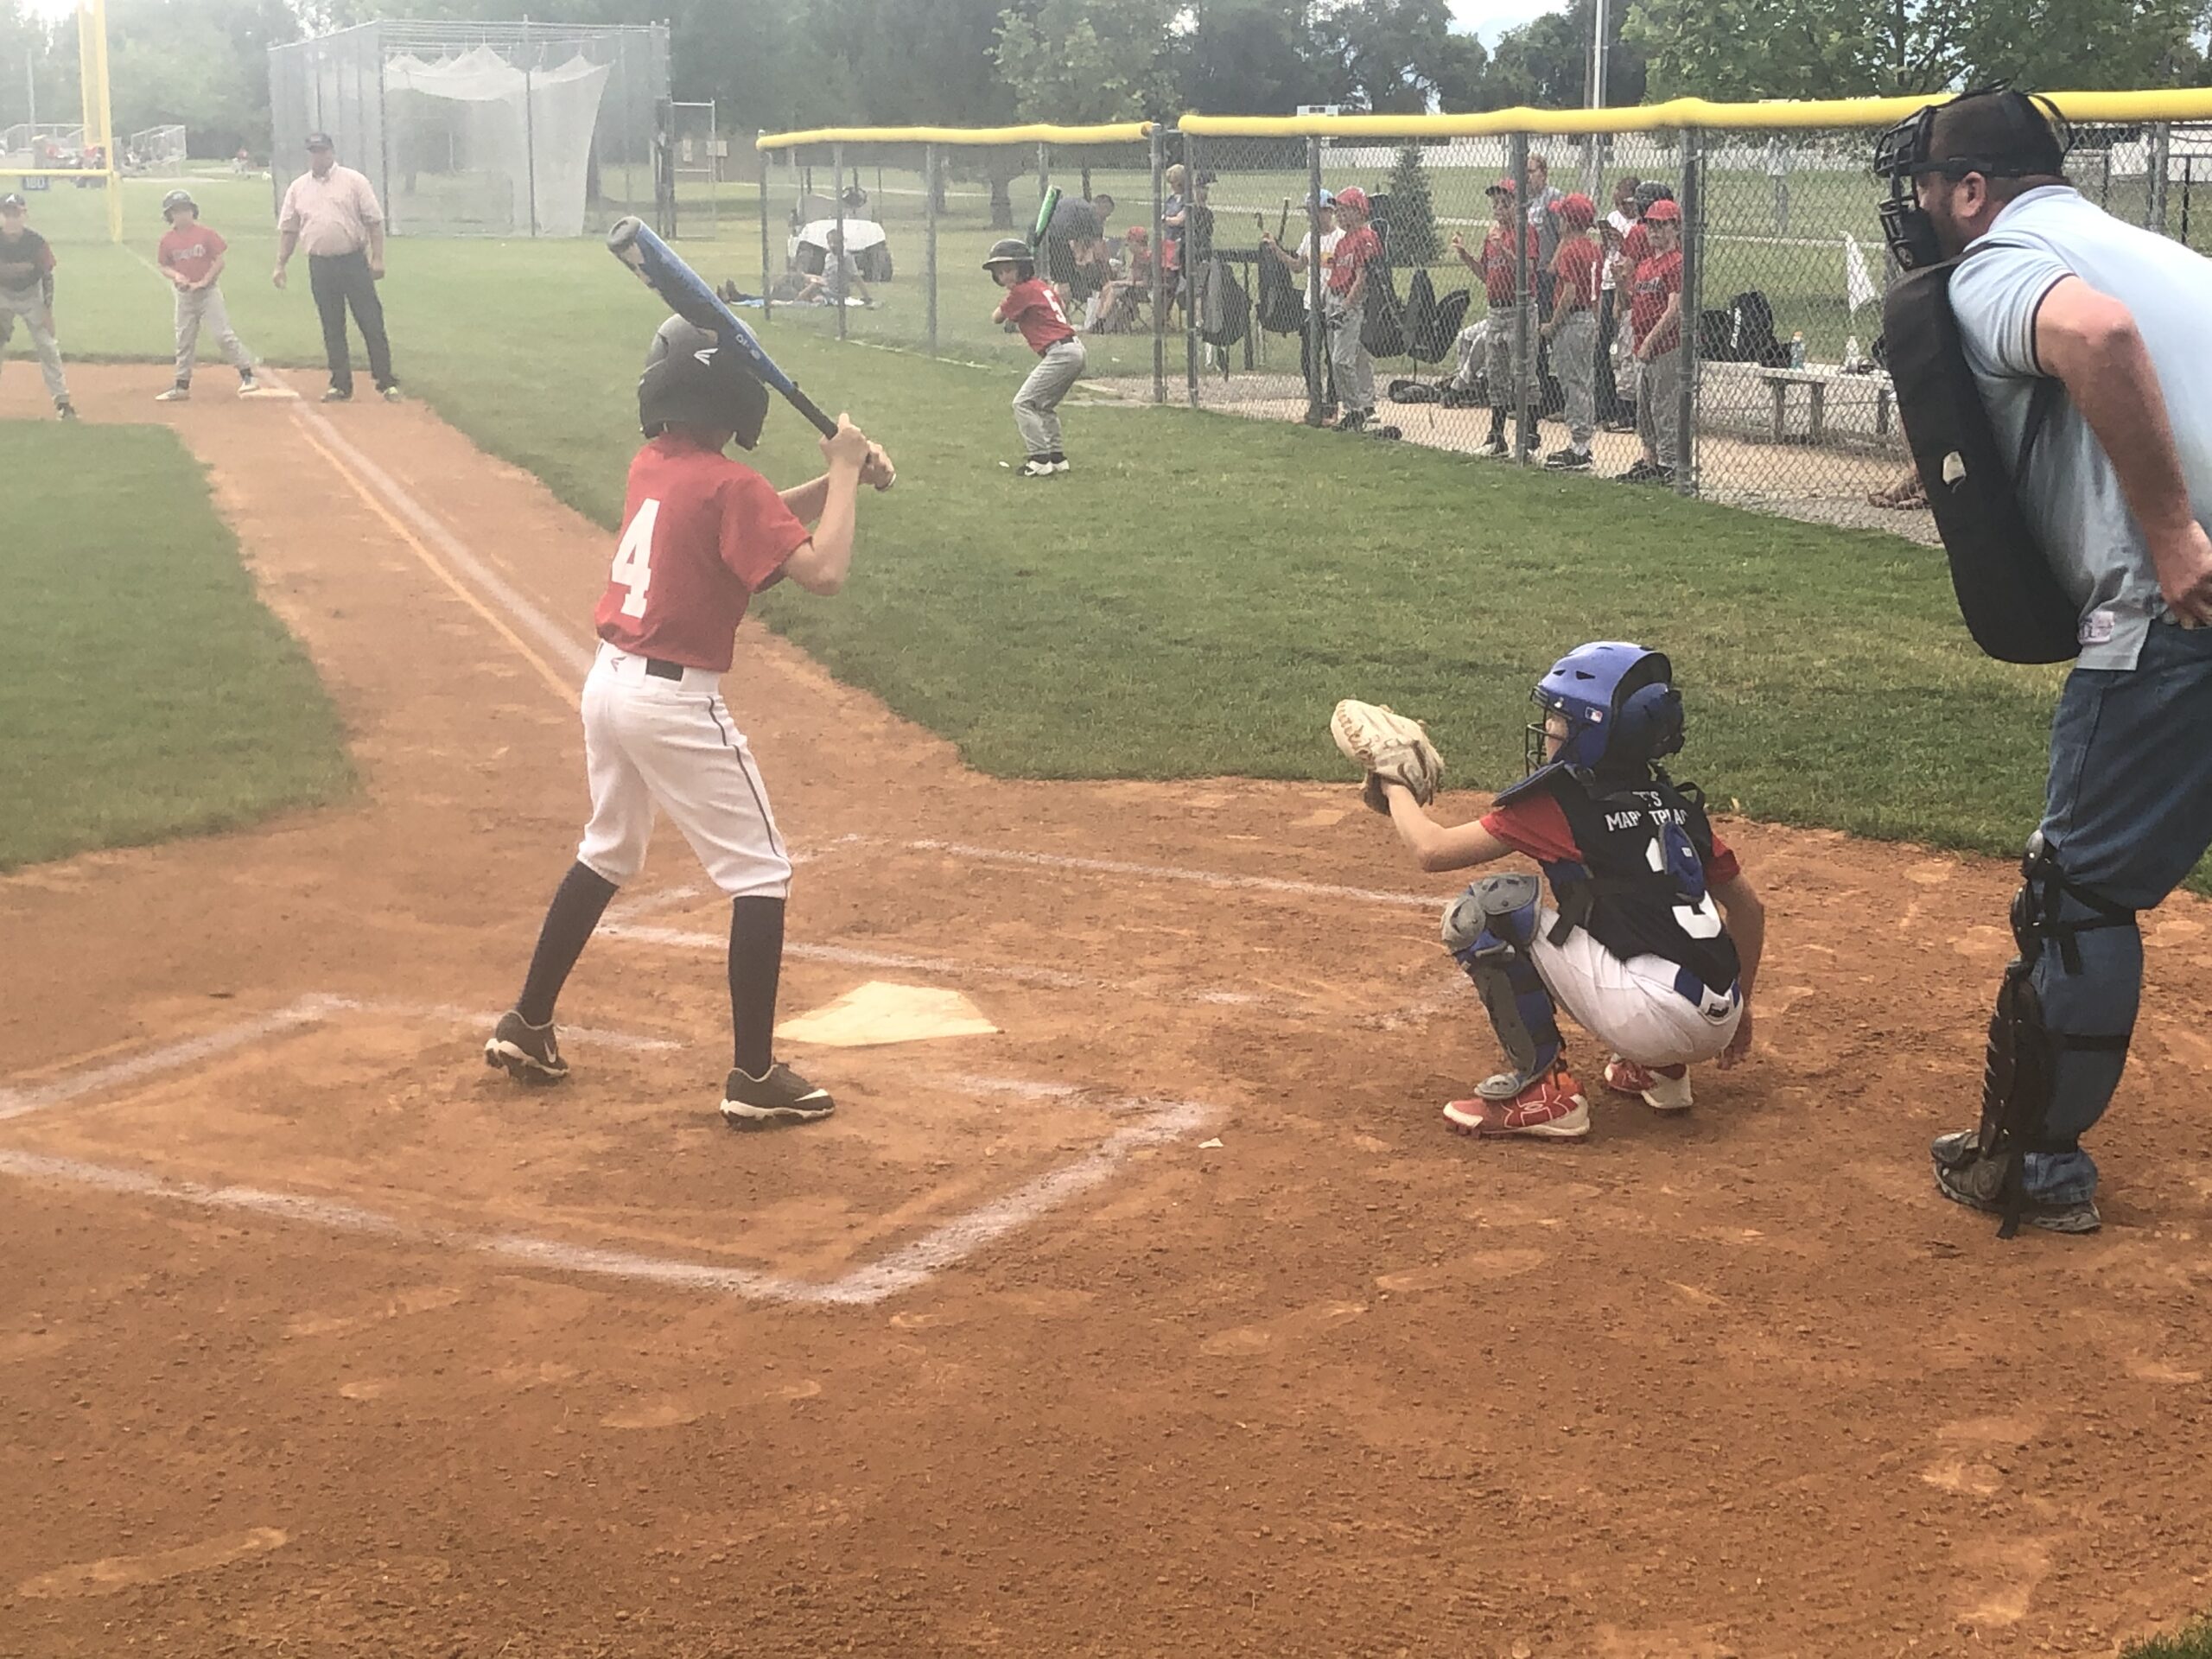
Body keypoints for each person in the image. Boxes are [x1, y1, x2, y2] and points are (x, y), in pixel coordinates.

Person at [1876, 88, 2212, 1233]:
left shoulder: (1998, 263)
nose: (1920, 207)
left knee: (2075, 896)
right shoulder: (2148, 246)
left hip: (2180, 612)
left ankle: (2036, 1165)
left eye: (1929, 185)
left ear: (1974, 191)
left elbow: (2098, 342)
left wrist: (2171, 535)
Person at [484, 319, 894, 1126]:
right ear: (736, 399)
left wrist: (840, 481)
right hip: (673, 701)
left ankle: (529, 1023)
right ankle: (752, 1075)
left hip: (609, 685)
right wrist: (845, 472)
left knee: (607, 850)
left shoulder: (658, 466)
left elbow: (751, 519)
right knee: (761, 872)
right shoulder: (728, 487)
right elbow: (825, 573)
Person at [1369, 642, 1764, 1139]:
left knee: (1485, 908)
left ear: (1593, 735)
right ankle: (1661, 1072)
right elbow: (1749, 911)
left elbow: (1432, 850)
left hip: (1652, 1018)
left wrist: (1392, 784)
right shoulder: (1676, 804)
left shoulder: (1557, 804)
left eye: (1561, 718)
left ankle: (1544, 1093)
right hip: (1718, 1017)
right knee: (1626, 904)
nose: (1551, 728)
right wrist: (1743, 1007)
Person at [274, 131, 399, 404]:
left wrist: (377, 258)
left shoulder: (354, 181)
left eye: (321, 151)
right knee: (332, 325)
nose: (318, 156)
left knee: (370, 320)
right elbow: (289, 229)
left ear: (331, 152)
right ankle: (340, 384)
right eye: (313, 152)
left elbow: (374, 222)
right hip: (320, 264)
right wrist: (280, 264)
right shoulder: (298, 188)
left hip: (352, 260)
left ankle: (386, 380)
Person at [1451, 179, 1539, 458]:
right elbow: (1486, 276)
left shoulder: (1526, 232)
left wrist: (1506, 250)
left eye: (1505, 203)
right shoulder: (1492, 235)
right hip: (1495, 310)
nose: (1499, 209)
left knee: (1522, 373)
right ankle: (1496, 436)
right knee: (1496, 376)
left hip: (1519, 309)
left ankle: (1528, 436)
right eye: (1495, 204)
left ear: (1517, 205)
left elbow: (1527, 271)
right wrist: (1465, 256)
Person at [984, 236, 1084, 477]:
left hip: (1060, 353)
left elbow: (996, 317)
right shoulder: (1040, 286)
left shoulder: (1022, 291)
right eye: (999, 273)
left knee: (1023, 403)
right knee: (1044, 405)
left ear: (1023, 269)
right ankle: (1057, 458)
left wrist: (1010, 303)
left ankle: (1039, 459)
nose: (1004, 278)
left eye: (1009, 270)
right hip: (1074, 349)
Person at [153, 189, 259, 402]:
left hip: (208, 293)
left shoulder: (205, 234)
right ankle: (181, 386)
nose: (182, 215)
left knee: (222, 335)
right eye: (176, 211)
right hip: (185, 296)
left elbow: (219, 261)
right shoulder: (167, 240)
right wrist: (177, 277)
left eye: (185, 209)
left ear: (193, 211)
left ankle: (248, 375)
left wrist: (203, 281)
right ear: (169, 215)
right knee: (184, 339)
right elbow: (164, 266)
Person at [1259, 190, 1341, 425]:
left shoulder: (1340, 238)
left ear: (1328, 211)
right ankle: (1315, 400)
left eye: (1313, 212)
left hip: (1334, 306)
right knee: (1308, 356)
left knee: (1333, 358)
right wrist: (1276, 249)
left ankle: (1332, 403)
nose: (1310, 217)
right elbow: (1297, 267)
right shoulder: (1309, 238)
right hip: (1311, 305)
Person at [1619, 197, 1684, 485]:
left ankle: (1670, 464)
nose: (1654, 231)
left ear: (1675, 227)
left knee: (1664, 406)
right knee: (1644, 408)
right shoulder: (1645, 265)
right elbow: (1628, 303)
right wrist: (1621, 282)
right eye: (1650, 225)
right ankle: (1650, 459)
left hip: (1666, 346)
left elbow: (1675, 309)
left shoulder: (1677, 263)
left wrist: (1649, 342)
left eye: (1661, 225)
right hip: (1642, 347)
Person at [1540, 194, 1601, 470]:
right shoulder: (1591, 247)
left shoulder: (1572, 250)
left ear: (1570, 220)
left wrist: (1553, 324)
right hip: (1588, 317)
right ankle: (1581, 442)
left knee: (1573, 383)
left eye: (1562, 217)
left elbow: (1569, 292)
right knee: (1582, 381)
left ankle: (1579, 446)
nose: (1558, 222)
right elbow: (1555, 270)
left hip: (1572, 319)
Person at [0, 193, 74, 420]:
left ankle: (62, 401)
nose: (12, 219)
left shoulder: (36, 242)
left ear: (25, 216)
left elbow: (47, 276)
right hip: (2, 294)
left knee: (47, 345)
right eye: (7, 214)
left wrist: (46, 310)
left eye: (16, 214)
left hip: (32, 295)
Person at [1322, 185, 1381, 433]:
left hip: (1351, 304)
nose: (1340, 215)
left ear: (1359, 210)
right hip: (1334, 299)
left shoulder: (1366, 237)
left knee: (1341, 361)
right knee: (1350, 358)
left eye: (1345, 210)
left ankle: (1356, 410)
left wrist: (1345, 308)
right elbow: (1336, 273)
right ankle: (1357, 410)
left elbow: (1362, 277)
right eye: (1339, 210)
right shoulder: (1343, 241)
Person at [1597, 175, 1640, 428]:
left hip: (1626, 287)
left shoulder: (1640, 223)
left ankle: (1627, 410)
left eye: (1627, 203)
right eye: (1620, 202)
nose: (1624, 208)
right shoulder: (1613, 218)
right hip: (1607, 284)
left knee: (1627, 346)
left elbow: (1633, 255)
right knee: (1600, 348)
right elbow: (1606, 252)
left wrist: (1621, 243)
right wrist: (1608, 240)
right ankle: (1606, 406)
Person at [796, 226, 869, 307]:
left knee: (813, 286)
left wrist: (867, 297)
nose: (832, 245)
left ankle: (797, 299)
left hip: (836, 293)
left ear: (841, 242)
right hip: (824, 287)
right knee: (801, 278)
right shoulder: (828, 257)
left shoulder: (846, 258)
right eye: (830, 242)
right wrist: (805, 276)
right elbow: (824, 277)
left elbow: (857, 278)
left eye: (835, 242)